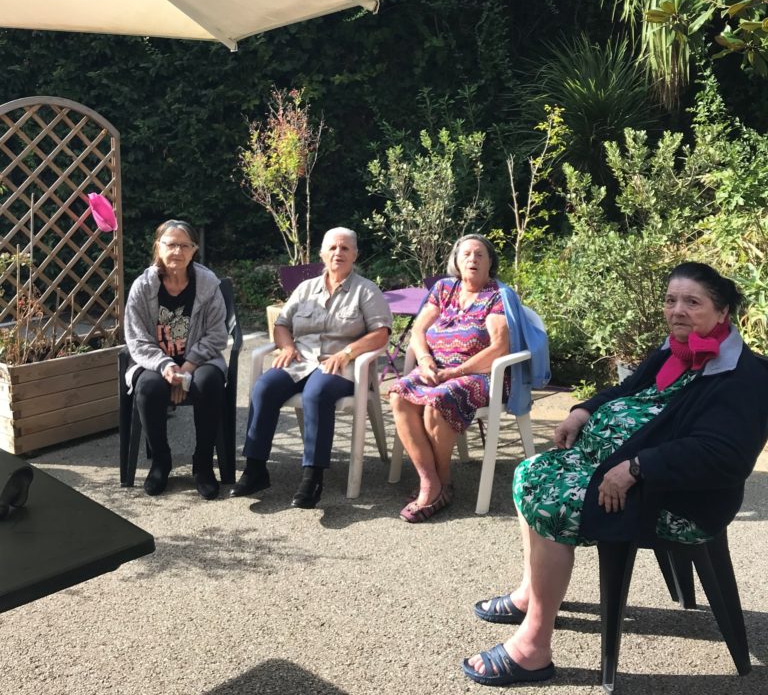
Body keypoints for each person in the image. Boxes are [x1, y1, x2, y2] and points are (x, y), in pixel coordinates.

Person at [463, 262, 768, 686]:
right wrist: (582, 410)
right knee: (532, 472)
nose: (677, 310)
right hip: (619, 470)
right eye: (670, 300)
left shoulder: (745, 375)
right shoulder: (675, 349)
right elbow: (628, 390)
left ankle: (533, 647)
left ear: (722, 312)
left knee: (549, 498)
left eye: (692, 302)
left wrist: (639, 467)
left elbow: (723, 456)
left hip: (676, 498)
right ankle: (531, 591)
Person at [231, 227, 392, 508]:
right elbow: (282, 324)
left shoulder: (366, 290)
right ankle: (255, 469)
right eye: (333, 248)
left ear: (355, 254)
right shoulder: (306, 289)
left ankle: (312, 477)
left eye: (345, 248)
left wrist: (347, 352)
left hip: (341, 366)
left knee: (316, 393)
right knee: (265, 387)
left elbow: (381, 333)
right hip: (301, 361)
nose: (338, 253)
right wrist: (287, 347)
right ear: (322, 254)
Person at [388, 234, 510, 523]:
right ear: (456, 260)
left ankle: (439, 484)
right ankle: (431, 480)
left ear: (490, 262)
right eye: (466, 254)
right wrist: (425, 360)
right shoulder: (444, 288)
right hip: (435, 368)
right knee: (398, 394)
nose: (472, 259)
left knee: (437, 402)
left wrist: (456, 372)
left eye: (480, 255)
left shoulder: (496, 296)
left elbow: (499, 348)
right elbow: (418, 330)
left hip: (479, 375)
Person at [124, 219, 228, 500]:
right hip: (153, 362)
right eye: (171, 245)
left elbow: (218, 333)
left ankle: (203, 463)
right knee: (149, 387)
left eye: (185, 246)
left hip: (199, 360)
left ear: (194, 250)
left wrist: (188, 367)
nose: (177, 252)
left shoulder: (207, 283)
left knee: (209, 382)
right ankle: (161, 461)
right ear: (158, 247)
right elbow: (136, 339)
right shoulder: (143, 287)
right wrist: (167, 366)